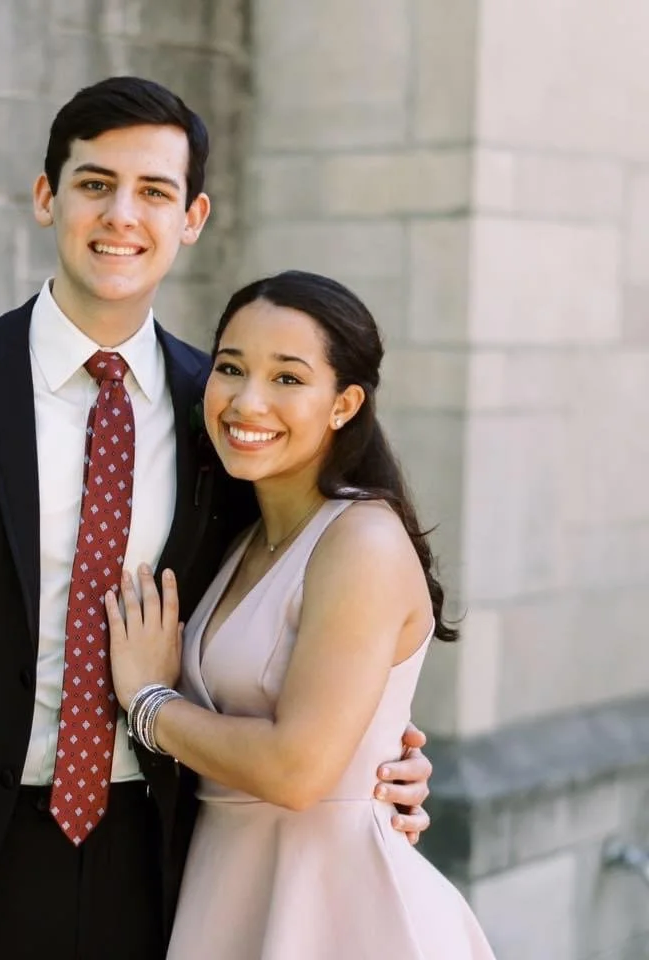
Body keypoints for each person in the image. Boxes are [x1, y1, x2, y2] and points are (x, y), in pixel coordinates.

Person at [0, 78, 434, 960]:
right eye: (95, 184)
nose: (121, 216)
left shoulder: (224, 415)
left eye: (154, 192)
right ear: (47, 195)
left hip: (162, 859)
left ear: (192, 217)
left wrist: (379, 757)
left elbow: (308, 608)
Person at [106, 270, 497, 959]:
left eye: (288, 378)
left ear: (344, 404)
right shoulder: (244, 538)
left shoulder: (362, 541)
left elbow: (297, 771)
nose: (248, 401)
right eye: (231, 368)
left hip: (341, 909)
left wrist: (147, 702)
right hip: (227, 889)